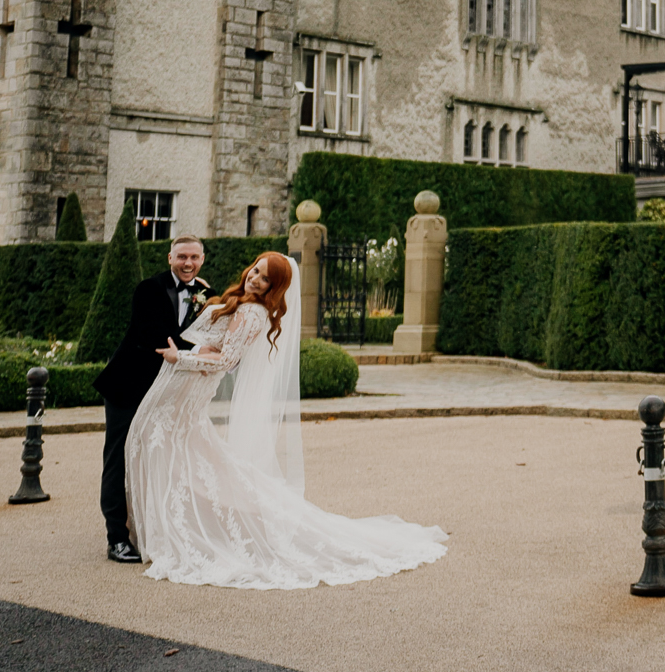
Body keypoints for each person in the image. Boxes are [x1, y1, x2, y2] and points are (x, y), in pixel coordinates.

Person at [126, 251, 448, 588]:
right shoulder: (245, 302)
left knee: (183, 456)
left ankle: (189, 528)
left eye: (265, 278)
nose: (255, 278)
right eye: (255, 270)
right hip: (187, 392)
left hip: (189, 389)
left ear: (274, 287)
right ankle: (178, 523)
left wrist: (183, 358)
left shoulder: (252, 312)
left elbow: (226, 360)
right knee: (188, 458)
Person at [96, 235, 211, 565]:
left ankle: (154, 527)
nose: (188, 263)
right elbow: (157, 336)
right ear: (169, 258)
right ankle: (116, 537)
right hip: (128, 386)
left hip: (167, 392)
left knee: (161, 458)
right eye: (182, 257)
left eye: (194, 257)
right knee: (118, 458)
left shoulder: (205, 295)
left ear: (202, 259)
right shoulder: (149, 288)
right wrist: (200, 352)